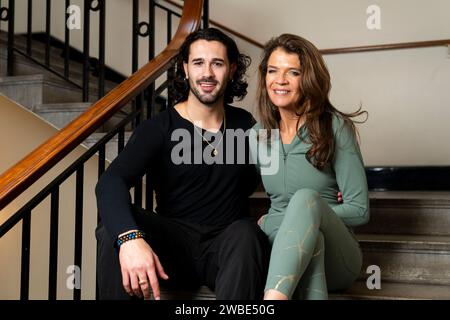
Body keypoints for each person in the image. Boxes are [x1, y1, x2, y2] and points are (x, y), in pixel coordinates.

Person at [95, 28, 270, 300]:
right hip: (172, 250)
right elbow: (110, 182)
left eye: (218, 63)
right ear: (185, 69)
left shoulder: (246, 125)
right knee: (112, 231)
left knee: (247, 233)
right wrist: (129, 239)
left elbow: (283, 174)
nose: (208, 73)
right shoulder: (159, 128)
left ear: (232, 69)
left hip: (227, 249)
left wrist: (326, 190)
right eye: (198, 63)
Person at [249, 34, 369, 300]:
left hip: (339, 259)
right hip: (284, 247)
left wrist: (312, 211)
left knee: (305, 200)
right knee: (313, 241)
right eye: (272, 71)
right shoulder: (258, 136)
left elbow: (360, 210)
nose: (279, 80)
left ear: (309, 79)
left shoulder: (334, 127)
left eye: (293, 72)